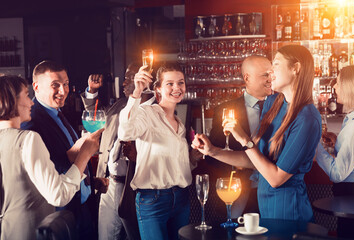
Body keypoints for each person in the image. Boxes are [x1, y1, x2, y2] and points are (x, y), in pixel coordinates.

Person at [192, 45, 321, 222]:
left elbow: (276, 178)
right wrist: (212, 150)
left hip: (289, 212)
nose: (271, 72)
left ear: (296, 68)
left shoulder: (308, 118)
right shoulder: (273, 103)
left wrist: (243, 138)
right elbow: (254, 160)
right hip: (265, 208)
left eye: (275, 64)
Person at [0, 75, 102, 240]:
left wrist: (72, 155)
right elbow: (58, 195)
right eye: (26, 95)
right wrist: (84, 156)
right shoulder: (28, 139)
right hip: (33, 231)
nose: (31, 102)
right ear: (13, 101)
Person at [118, 63, 195, 240]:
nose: (177, 88)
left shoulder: (180, 123)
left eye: (180, 83)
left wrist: (194, 157)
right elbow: (125, 131)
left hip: (181, 198)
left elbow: (178, 167)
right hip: (153, 200)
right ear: (157, 89)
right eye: (170, 83)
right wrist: (136, 92)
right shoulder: (147, 113)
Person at [21, 60, 95, 238]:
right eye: (55, 85)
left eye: (66, 84)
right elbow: (46, 172)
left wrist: (91, 182)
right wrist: (81, 155)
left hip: (81, 205)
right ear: (36, 87)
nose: (63, 91)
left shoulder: (55, 111)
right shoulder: (31, 121)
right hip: (62, 212)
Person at [81, 63, 154, 240]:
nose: (123, 83)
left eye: (129, 78)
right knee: (105, 236)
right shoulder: (120, 104)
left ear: (143, 80)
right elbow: (95, 116)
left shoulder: (156, 110)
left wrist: (139, 158)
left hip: (135, 191)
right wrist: (92, 91)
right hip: (109, 185)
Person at [201, 55, 272, 218]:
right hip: (237, 193)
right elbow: (214, 155)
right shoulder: (225, 110)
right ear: (247, 78)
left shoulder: (281, 108)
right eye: (265, 75)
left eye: (271, 74)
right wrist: (238, 166)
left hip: (272, 193)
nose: (270, 79)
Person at [315, 65, 354, 239]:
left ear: (352, 87)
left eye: (339, 82)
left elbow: (338, 173)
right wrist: (338, 141)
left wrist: (315, 147)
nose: (335, 87)